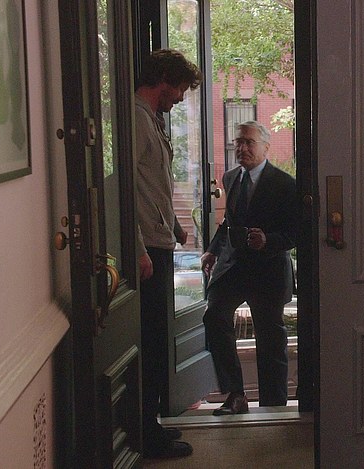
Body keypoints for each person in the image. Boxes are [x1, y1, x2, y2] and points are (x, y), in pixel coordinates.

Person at [201, 120, 299, 415]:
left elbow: (296, 232)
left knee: (270, 338)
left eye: (249, 142)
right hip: (234, 268)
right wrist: (213, 250)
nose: (242, 148)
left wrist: (268, 240)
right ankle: (235, 395)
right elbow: (229, 222)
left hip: (268, 271)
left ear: (266, 147)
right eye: (238, 142)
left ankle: (274, 405)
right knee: (214, 315)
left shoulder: (284, 183)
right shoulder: (230, 177)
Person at [134, 48, 202, 459]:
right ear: (162, 78)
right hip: (146, 252)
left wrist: (175, 226)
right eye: (179, 88)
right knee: (151, 342)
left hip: (159, 243)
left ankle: (152, 425)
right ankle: (146, 434)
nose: (179, 97)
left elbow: (153, 186)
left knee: (158, 339)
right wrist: (138, 249)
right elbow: (124, 188)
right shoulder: (135, 120)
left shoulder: (152, 120)